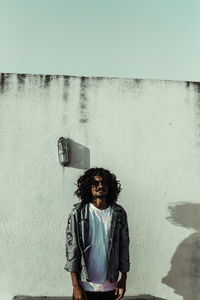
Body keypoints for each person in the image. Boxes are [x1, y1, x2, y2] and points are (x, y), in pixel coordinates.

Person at [64, 167, 130, 300]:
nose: (100, 186)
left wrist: (124, 277)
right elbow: (72, 250)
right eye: (95, 183)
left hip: (110, 285)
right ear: (89, 187)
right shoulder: (78, 213)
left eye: (104, 183)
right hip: (85, 286)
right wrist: (76, 285)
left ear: (110, 186)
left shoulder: (118, 213)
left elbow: (124, 247)